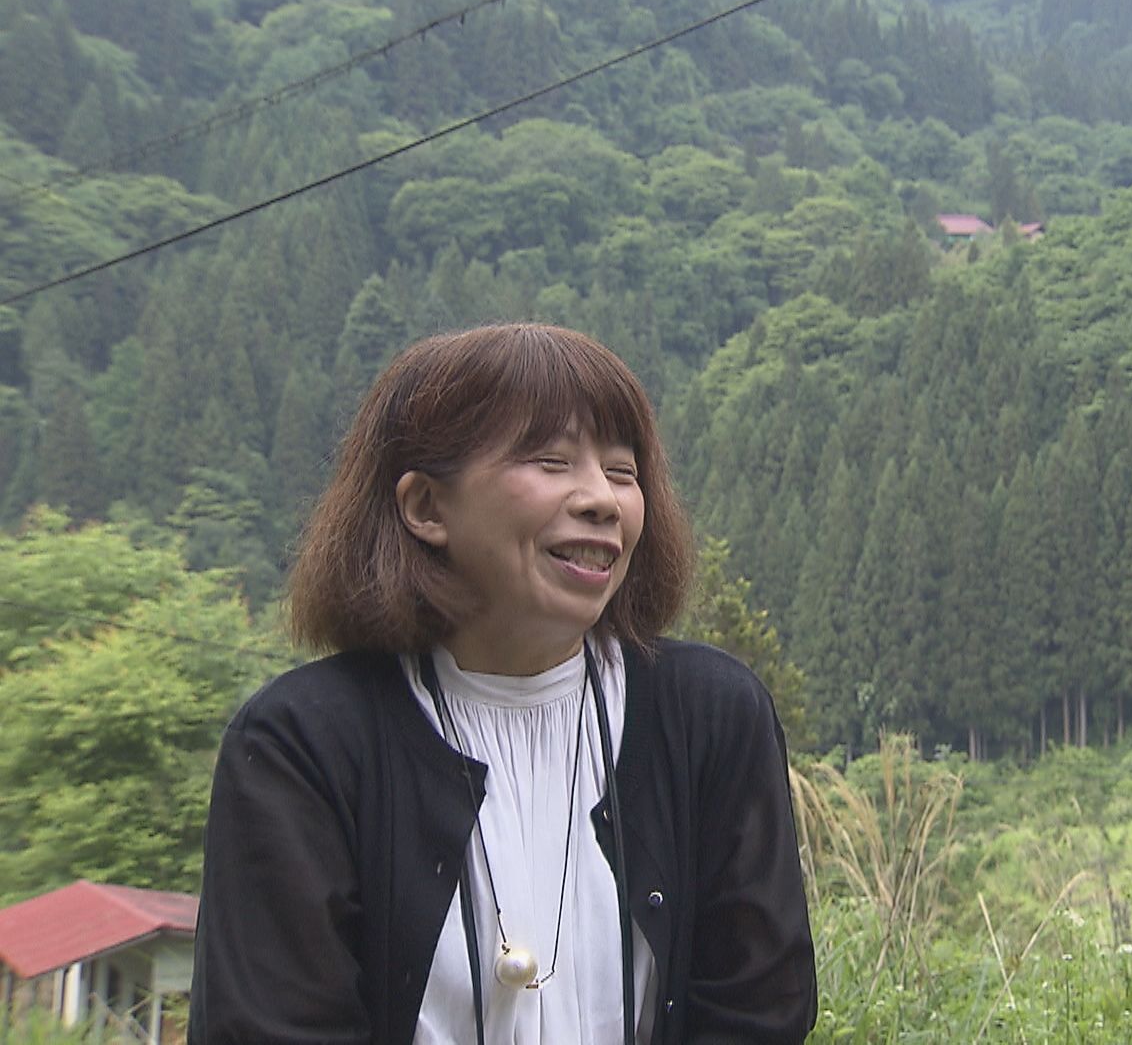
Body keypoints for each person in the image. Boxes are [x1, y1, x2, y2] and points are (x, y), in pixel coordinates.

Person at [190, 323, 816, 1044]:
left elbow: (757, 1011)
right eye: (551, 461)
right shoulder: (303, 745)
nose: (602, 500)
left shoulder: (710, 717)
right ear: (426, 508)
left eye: (622, 471)